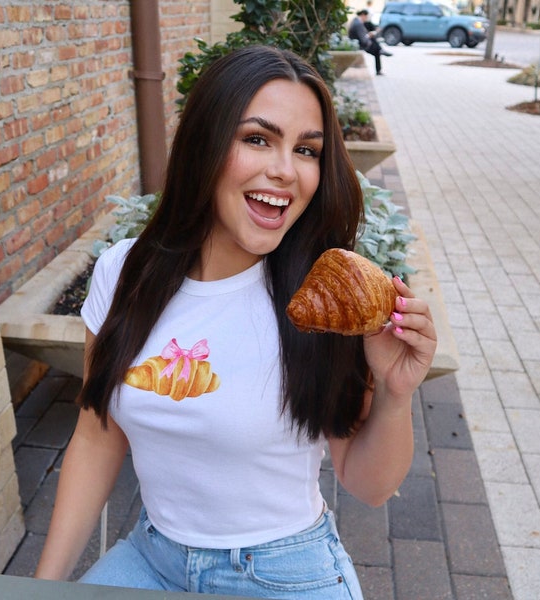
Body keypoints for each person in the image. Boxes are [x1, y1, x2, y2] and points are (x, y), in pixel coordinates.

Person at [35, 45, 436, 598]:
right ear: (205, 144)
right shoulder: (123, 272)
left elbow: (368, 486)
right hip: (153, 557)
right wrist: (44, 587)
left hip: (282, 573)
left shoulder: (328, 300)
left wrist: (395, 394)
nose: (285, 170)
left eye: (307, 150)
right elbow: (98, 436)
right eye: (257, 139)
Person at [348, 9, 392, 75]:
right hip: (359, 44)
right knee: (376, 48)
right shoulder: (358, 24)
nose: (367, 18)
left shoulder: (355, 21)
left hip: (357, 42)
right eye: (366, 17)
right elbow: (363, 40)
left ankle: (380, 50)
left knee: (377, 50)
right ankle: (381, 50)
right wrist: (369, 35)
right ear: (363, 15)